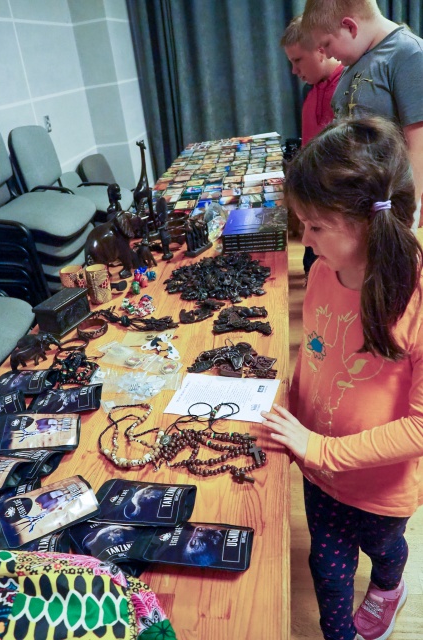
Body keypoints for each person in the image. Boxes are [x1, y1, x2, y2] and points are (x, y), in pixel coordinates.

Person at [261, 116, 423, 640]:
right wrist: (290, 414)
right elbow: (314, 352)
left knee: (385, 548)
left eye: (315, 226)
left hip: (379, 486)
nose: (303, 240)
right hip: (319, 474)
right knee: (328, 574)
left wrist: (321, 448)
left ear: (368, 222)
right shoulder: (321, 272)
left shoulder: (415, 298)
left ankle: (389, 587)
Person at [301, 0, 423, 229]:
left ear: (350, 26)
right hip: (355, 208)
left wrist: (406, 216)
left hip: (390, 212)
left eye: (326, 44)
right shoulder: (353, 62)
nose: (327, 54)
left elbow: (420, 144)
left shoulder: (409, 53)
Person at [281, 15, 343, 279]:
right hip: (312, 197)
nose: (294, 71)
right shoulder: (310, 90)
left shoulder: (349, 87)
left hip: (334, 204)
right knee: (311, 265)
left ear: (321, 50)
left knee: (329, 271)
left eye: (298, 60)